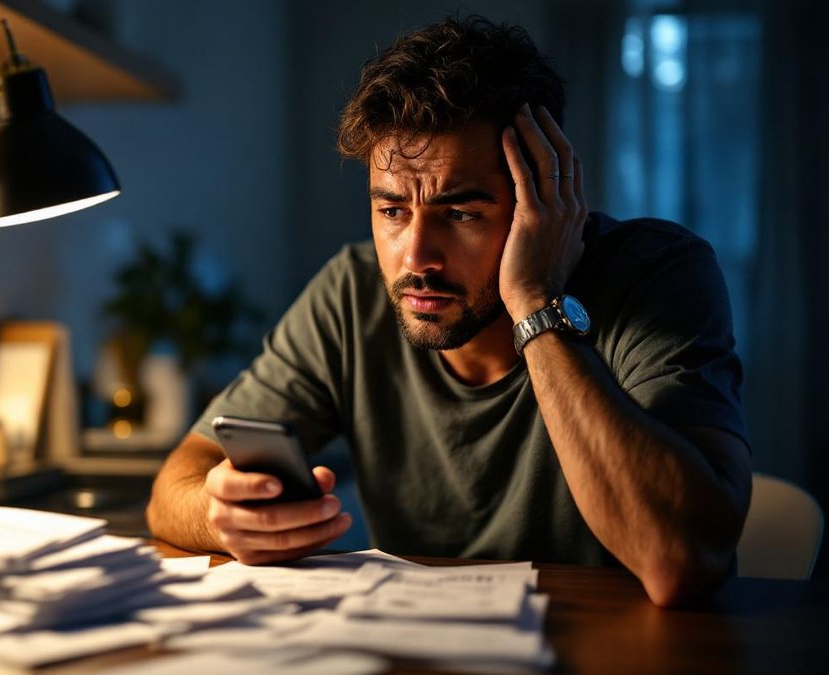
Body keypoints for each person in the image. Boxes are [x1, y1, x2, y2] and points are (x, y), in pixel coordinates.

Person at [145, 16, 751, 607]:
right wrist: (218, 515)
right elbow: (173, 487)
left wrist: (535, 302)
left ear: (547, 196)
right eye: (392, 211)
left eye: (462, 214)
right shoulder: (351, 292)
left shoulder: (658, 275)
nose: (417, 257)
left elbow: (682, 561)